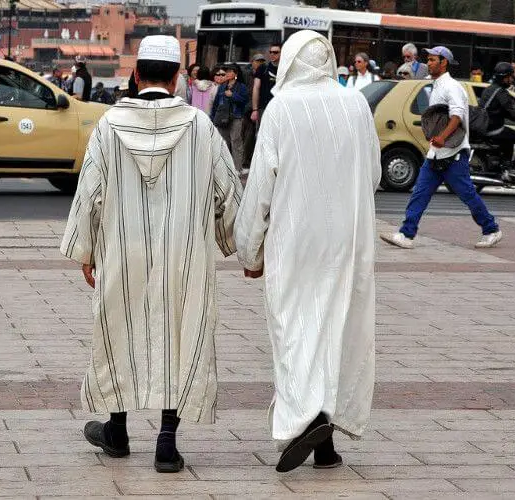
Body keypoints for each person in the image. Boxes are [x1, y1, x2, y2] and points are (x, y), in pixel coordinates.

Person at [60, 34, 242, 474]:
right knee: (179, 335)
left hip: (123, 249)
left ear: (136, 74)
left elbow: (89, 193)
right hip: (184, 253)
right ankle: (166, 441)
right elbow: (229, 194)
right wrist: (235, 242)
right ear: (177, 77)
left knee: (118, 329)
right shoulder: (200, 127)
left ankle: (117, 430)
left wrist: (86, 249)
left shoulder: (108, 125)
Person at [235, 29, 380, 474]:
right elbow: (373, 172)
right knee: (338, 332)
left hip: (294, 242)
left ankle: (307, 420)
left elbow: (261, 185)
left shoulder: (281, 108)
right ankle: (326, 442)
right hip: (348, 241)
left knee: (296, 329)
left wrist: (250, 251)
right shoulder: (356, 105)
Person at [380, 46, 502, 250]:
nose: (428, 63)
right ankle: (406, 234)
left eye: (432, 60)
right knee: (420, 193)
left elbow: (457, 116)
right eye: (428, 59)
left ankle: (491, 229)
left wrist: (442, 138)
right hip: (436, 153)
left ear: (444, 62)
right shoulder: (436, 85)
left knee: (467, 194)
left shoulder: (451, 86)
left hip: (453, 152)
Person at [211, 63, 249, 174]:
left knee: (236, 141)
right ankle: (225, 168)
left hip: (236, 117)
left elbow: (245, 101)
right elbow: (216, 104)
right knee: (223, 143)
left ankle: (237, 168)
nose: (227, 73)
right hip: (222, 117)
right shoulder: (222, 86)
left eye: (229, 71)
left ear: (235, 73)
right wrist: (213, 117)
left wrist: (233, 95)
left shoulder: (241, 87)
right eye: (226, 71)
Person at [251, 43, 281, 125]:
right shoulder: (263, 68)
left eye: (275, 52)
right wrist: (255, 109)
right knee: (262, 131)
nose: (272, 54)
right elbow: (256, 88)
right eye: (270, 52)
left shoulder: (286, 68)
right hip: (264, 107)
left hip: (281, 107)